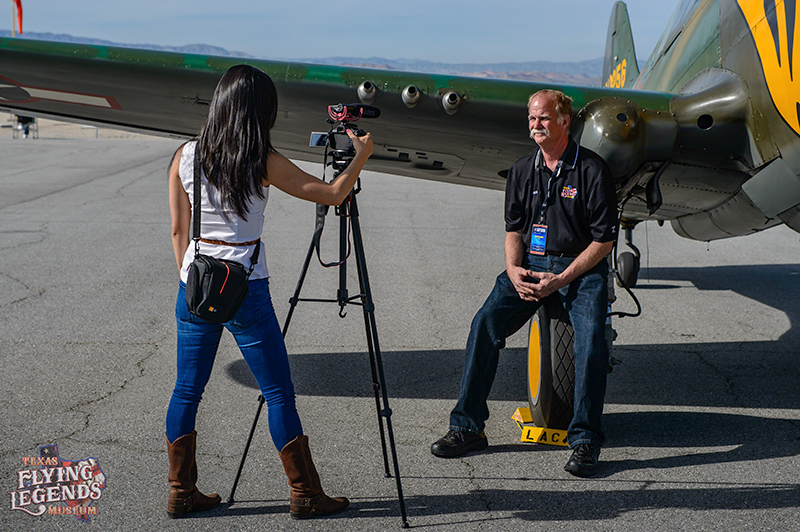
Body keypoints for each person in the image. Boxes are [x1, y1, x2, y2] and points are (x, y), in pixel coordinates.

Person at [167, 64, 373, 518]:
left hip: (195, 283)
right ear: (261, 111)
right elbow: (333, 194)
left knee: (186, 392)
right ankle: (305, 493)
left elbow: (179, 233)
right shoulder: (261, 158)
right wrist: (361, 154)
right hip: (246, 286)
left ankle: (180, 491)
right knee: (278, 393)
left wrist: (190, 279)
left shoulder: (185, 154)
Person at [430, 89, 618, 477]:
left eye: (544, 118)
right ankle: (466, 427)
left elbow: (604, 241)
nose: (536, 125)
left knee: (592, 343)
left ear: (565, 121)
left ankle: (584, 440)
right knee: (485, 324)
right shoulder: (520, 171)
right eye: (532, 118)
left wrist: (563, 278)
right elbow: (514, 229)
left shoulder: (592, 170)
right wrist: (514, 270)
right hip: (530, 266)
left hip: (578, 271)